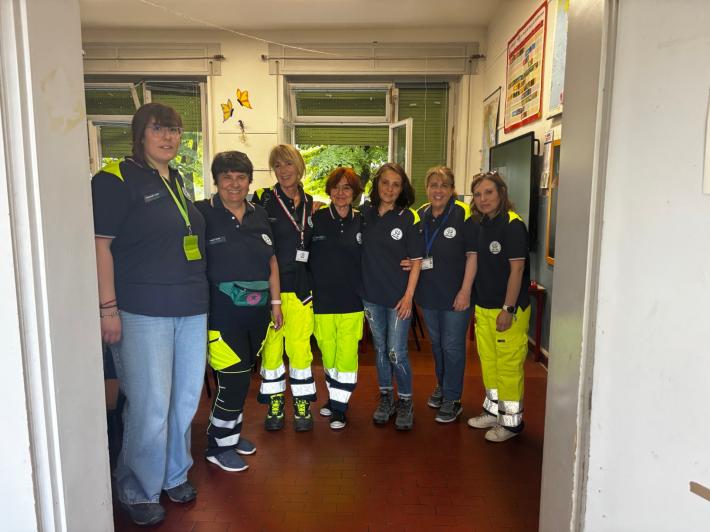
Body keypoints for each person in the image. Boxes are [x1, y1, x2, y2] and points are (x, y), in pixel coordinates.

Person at [91, 103, 208, 526]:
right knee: (150, 405)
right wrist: (107, 308)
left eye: (174, 130)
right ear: (140, 133)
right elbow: (100, 245)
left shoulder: (177, 179)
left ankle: (174, 474)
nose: (168, 137)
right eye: (158, 129)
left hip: (191, 307)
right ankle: (137, 488)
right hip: (142, 310)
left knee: (184, 400)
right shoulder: (114, 179)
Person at [195, 151, 282, 472]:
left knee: (243, 380)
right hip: (221, 315)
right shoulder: (201, 213)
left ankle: (230, 436)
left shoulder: (260, 214)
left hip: (256, 315)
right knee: (232, 381)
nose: (234, 184)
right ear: (216, 181)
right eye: (227, 177)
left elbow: (271, 261)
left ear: (249, 181)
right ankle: (218, 446)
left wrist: (276, 304)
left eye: (241, 177)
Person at [252, 145, 316, 431]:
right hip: (271, 290)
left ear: (299, 166)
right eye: (277, 165)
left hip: (302, 290)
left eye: (288, 164)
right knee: (272, 350)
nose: (283, 170)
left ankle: (302, 403)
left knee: (300, 349)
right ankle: (275, 402)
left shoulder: (311, 202)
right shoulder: (262, 199)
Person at [467, 171, 531, 443]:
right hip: (484, 307)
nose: (483, 199)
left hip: (508, 310)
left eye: (489, 192)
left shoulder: (513, 225)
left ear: (501, 193)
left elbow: (517, 270)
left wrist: (508, 308)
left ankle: (511, 423)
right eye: (478, 194)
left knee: (508, 367)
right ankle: (493, 412)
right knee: (490, 364)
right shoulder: (482, 224)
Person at [361, 163, 423, 430]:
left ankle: (406, 401)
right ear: (377, 184)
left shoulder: (408, 218)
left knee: (396, 351)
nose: (389, 188)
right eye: (385, 182)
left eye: (396, 184)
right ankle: (386, 397)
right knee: (380, 350)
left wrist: (409, 297)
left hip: (399, 298)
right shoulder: (364, 214)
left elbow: (417, 261)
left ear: (402, 189)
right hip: (371, 296)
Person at [416, 166, 477, 423]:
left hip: (456, 296)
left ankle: (453, 398)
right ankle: (442, 386)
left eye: (444, 185)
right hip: (429, 294)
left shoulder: (464, 213)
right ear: (427, 189)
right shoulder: (420, 214)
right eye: (433, 185)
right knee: (437, 345)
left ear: (452, 189)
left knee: (452, 346)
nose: (438, 190)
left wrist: (465, 291)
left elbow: (473, 256)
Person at [309, 167, 364, 430]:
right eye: (336, 187)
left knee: (347, 355)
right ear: (329, 191)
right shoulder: (315, 219)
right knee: (328, 354)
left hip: (353, 300)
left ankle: (340, 408)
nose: (341, 193)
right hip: (322, 300)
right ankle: (335, 398)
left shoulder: (363, 220)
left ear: (354, 193)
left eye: (347, 188)